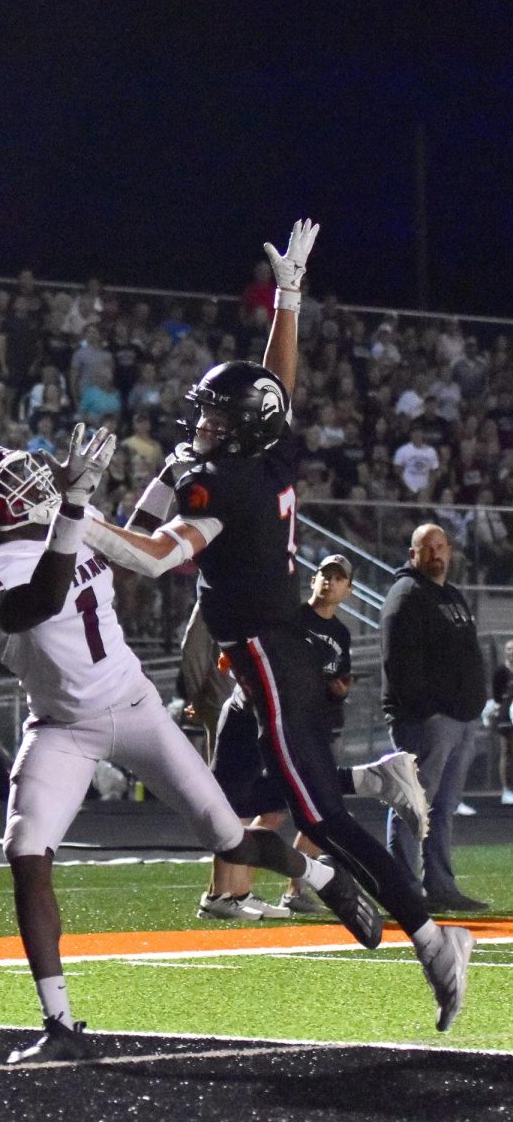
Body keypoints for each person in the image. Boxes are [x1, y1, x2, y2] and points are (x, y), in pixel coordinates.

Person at [83, 217, 476, 1033]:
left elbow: (154, 557)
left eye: (216, 420)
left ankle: (436, 938)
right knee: (241, 796)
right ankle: (376, 777)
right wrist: (289, 299)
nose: (205, 426)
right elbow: (275, 385)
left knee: (321, 818)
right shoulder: (268, 455)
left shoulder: (226, 482)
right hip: (265, 653)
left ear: (239, 432)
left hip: (266, 654)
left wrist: (73, 516)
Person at [0, 427, 382, 1066]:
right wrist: (70, 510)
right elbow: (39, 601)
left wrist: (167, 477)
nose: (30, 481)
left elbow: (135, 539)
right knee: (26, 851)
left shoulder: (70, 520)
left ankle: (323, 876)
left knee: (230, 839)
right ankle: (60, 1025)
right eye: (10, 482)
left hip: (136, 706)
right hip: (62, 725)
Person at [191, 555, 429, 921]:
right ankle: (364, 779)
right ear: (312, 579)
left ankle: (232, 894)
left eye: (338, 579)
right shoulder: (290, 618)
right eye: (325, 575)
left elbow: (319, 677)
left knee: (252, 803)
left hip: (291, 717)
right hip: (258, 713)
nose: (330, 583)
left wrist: (334, 692)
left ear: (348, 589)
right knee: (239, 802)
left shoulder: (339, 633)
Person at [381, 523, 490, 912]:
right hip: (428, 721)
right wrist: (427, 711)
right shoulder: (406, 594)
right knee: (412, 804)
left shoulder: (452, 595)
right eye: (427, 548)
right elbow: (397, 662)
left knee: (442, 809)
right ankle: (404, 890)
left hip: (460, 721)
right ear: (413, 554)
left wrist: (472, 705)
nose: (436, 554)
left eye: (441, 546)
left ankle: (441, 886)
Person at [490, 638, 513, 806]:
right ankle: (506, 789)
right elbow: (497, 695)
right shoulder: (501, 672)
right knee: (507, 751)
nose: (511, 652)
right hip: (506, 716)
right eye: (509, 649)